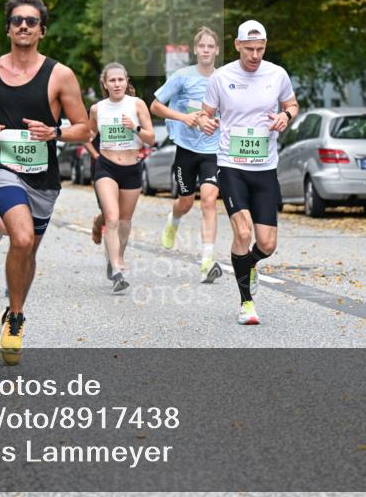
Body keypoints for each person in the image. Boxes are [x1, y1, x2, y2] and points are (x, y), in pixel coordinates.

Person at [0, 0, 90, 365]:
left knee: (28, 250)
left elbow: (84, 128)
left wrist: (55, 133)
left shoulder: (60, 75)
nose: (23, 26)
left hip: (42, 178)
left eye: (31, 21)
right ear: (8, 28)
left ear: (42, 30)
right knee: (20, 237)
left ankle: (13, 306)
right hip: (1, 167)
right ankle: (16, 320)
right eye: (17, 20)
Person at [200, 20, 299, 326]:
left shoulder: (277, 74)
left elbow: (292, 104)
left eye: (261, 49)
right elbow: (206, 113)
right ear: (238, 45)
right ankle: (246, 303)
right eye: (250, 49)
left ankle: (250, 263)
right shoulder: (221, 77)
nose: (255, 55)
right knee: (242, 233)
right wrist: (205, 122)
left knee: (267, 244)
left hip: (265, 168)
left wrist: (285, 116)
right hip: (231, 166)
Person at [151, 26, 225, 283]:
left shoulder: (224, 78)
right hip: (186, 149)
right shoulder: (183, 77)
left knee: (209, 200)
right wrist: (184, 118)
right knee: (185, 202)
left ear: (217, 50)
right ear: (195, 49)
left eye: (210, 46)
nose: (206, 50)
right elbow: (155, 106)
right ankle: (173, 219)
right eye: (202, 46)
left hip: (213, 151)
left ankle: (207, 261)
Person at [89, 63, 155, 292]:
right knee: (113, 218)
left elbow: (151, 138)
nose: (117, 84)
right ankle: (117, 270)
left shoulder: (137, 104)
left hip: (131, 168)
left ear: (127, 82)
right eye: (112, 80)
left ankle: (115, 256)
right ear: (105, 84)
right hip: (106, 167)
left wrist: (135, 127)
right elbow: (88, 134)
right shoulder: (97, 109)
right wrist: (94, 154)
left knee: (125, 220)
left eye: (120, 80)